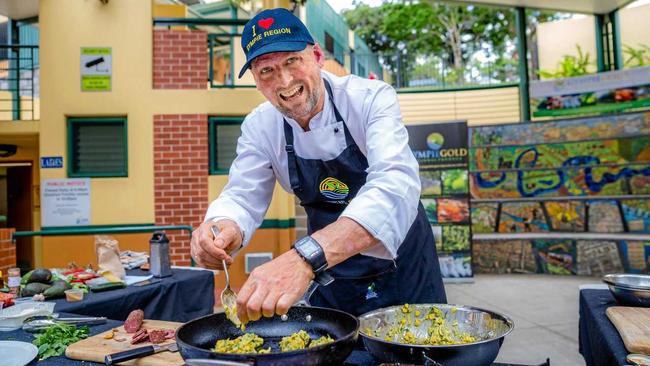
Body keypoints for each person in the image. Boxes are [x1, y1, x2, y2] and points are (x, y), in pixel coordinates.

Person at [190, 8, 446, 324]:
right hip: (333, 274)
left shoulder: (369, 98)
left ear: (317, 56)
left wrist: (304, 259)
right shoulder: (260, 126)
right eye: (266, 70)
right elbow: (242, 196)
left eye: (291, 61)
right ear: (256, 80)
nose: (283, 81)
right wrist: (221, 226)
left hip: (403, 266)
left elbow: (394, 184)